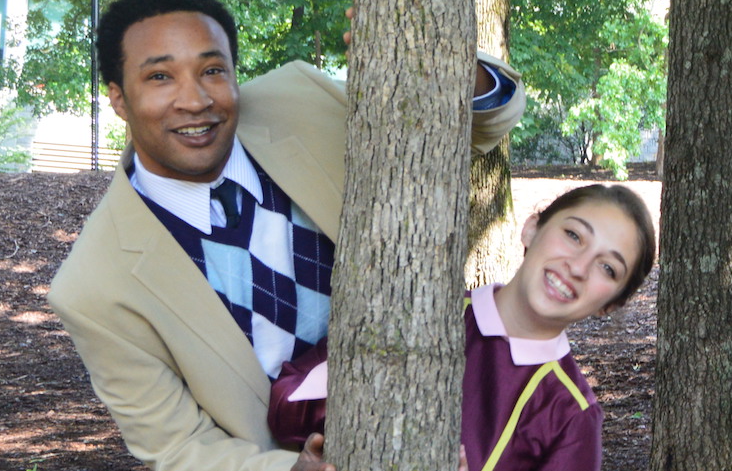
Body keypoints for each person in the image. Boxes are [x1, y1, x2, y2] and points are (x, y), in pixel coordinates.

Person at [46, 0, 526, 471]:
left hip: (441, 430)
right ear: (119, 99)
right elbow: (175, 445)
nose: (193, 100)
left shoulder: (298, 97)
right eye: (160, 77)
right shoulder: (92, 287)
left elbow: (474, 130)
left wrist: (442, 60)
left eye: (212, 70)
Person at [268, 184, 657, 471]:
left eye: (608, 267)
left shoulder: (570, 414)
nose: (578, 266)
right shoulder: (421, 312)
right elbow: (286, 409)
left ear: (612, 304)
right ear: (532, 228)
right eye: (573, 235)